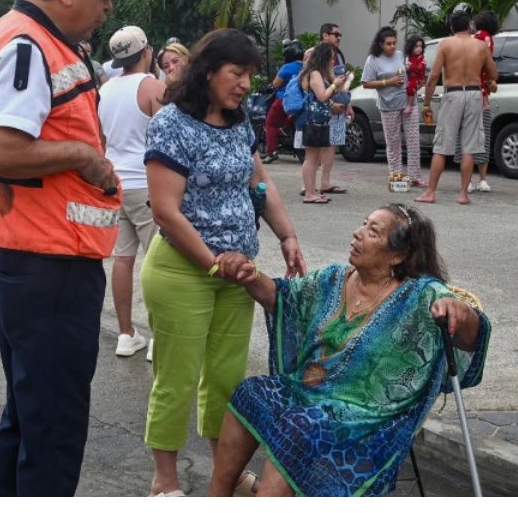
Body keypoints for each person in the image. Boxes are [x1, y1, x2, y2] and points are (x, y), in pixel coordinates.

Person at [0, 0, 132, 496]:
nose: (109, 6)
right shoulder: (27, 45)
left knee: (30, 417)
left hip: (39, 261)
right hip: (48, 266)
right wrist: (83, 159)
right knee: (54, 428)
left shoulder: (39, 41)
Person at [208, 204, 487, 497]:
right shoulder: (334, 279)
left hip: (367, 413)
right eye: (363, 223)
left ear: (398, 255)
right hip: (308, 391)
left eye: (372, 231)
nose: (357, 233)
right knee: (250, 393)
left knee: (298, 428)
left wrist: (461, 312)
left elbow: (471, 336)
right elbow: (283, 297)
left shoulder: (421, 294)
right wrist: (250, 275)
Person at [141, 28, 305, 497]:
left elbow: (259, 182)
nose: (244, 85)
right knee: (177, 376)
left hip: (238, 274)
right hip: (182, 270)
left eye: (250, 76)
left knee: (227, 380)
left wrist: (287, 235)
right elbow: (165, 211)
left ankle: (224, 474)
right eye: (237, 73)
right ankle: (164, 480)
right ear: (208, 71)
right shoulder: (172, 122)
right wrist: (215, 263)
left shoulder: (238, 121)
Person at [98, 25, 163, 359]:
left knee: (122, 260)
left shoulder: (105, 90)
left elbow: (101, 139)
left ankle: (126, 334)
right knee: (159, 263)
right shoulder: (151, 86)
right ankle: (159, 337)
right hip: (146, 184)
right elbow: (168, 136)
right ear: (146, 51)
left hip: (115, 184)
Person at [415, 10, 497, 205]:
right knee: (469, 147)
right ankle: (463, 194)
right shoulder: (480, 46)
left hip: (452, 93)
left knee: (442, 146)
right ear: (469, 26)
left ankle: (431, 192)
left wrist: (426, 103)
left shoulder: (445, 44)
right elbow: (493, 73)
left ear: (451, 27)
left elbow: (433, 77)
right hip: (474, 93)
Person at [363, 27, 422, 185]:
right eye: (388, 43)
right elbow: (366, 83)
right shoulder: (373, 60)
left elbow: (409, 75)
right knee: (393, 142)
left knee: (413, 140)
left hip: (409, 102)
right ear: (381, 44)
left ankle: (415, 176)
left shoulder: (401, 56)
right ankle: (396, 175)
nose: (392, 46)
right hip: (388, 105)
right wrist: (388, 82)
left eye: (394, 43)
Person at [304, 24, 350, 195]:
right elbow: (320, 94)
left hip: (327, 113)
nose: (338, 37)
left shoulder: (329, 65)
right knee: (312, 156)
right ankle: (309, 189)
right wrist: (334, 86)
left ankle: (321, 185)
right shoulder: (313, 68)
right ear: (324, 35)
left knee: (328, 147)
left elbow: (330, 91)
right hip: (315, 117)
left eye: (340, 34)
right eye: (335, 34)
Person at [469, 11, 501, 192]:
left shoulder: (479, 37)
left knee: (469, 138)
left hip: (474, 91)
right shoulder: (488, 38)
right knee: (483, 137)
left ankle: (470, 180)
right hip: (483, 94)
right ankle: (482, 179)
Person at [262, 41, 302, 163]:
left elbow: (275, 84)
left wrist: (269, 86)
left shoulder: (287, 68)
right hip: (301, 101)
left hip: (284, 100)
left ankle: (271, 153)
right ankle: (284, 128)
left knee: (270, 124)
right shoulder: (306, 67)